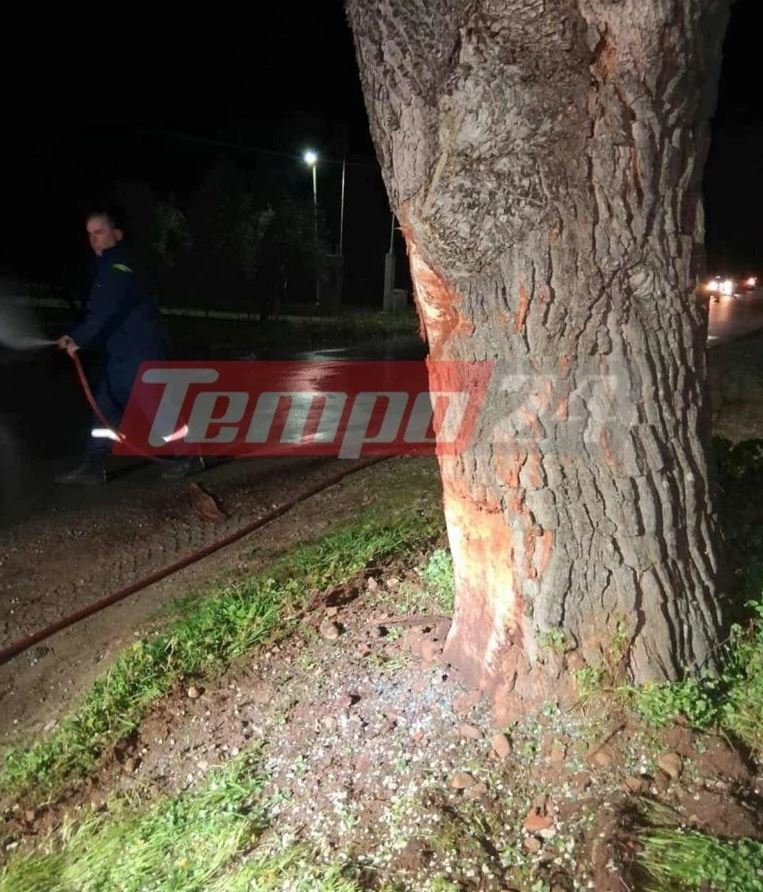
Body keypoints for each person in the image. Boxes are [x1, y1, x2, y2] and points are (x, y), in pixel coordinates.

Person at [55, 210, 204, 484]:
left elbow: (104, 310)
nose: (93, 239)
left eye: (99, 232)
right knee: (105, 408)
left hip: (140, 353)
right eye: (89, 234)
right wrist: (78, 336)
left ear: (117, 234)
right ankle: (93, 466)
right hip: (120, 355)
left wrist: (78, 338)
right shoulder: (107, 268)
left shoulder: (119, 267)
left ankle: (189, 456)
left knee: (156, 407)